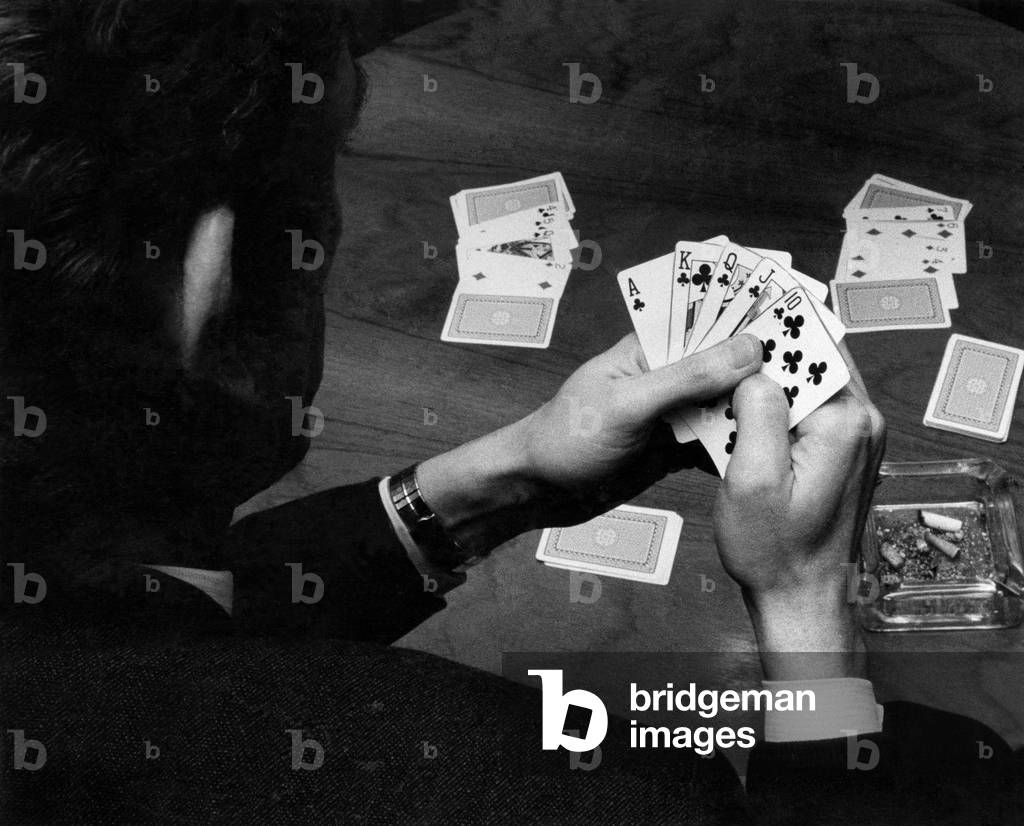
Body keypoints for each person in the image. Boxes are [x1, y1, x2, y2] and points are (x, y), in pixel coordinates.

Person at [0, 2, 1017, 823]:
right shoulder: (531, 788)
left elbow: (133, 638)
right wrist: (809, 613)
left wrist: (504, 478)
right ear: (208, 279)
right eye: (321, 204)